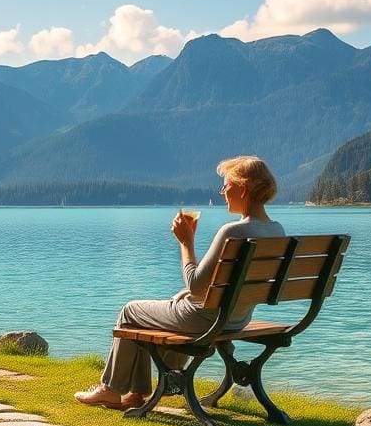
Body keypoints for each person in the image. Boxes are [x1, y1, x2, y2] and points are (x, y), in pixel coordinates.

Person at [74, 155, 285, 410]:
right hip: (238, 318)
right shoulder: (276, 231)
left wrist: (186, 242)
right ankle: (138, 393)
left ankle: (111, 389)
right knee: (171, 302)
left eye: (226, 184)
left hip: (206, 320)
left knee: (131, 311)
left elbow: (196, 284)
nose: (222, 191)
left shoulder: (233, 232)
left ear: (243, 187)